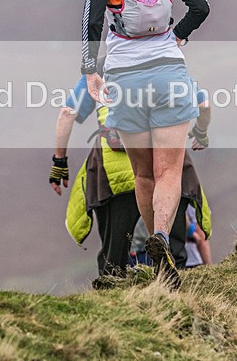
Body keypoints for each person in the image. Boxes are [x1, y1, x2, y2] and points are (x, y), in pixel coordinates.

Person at [81, 0, 210, 289]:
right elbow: (201, 6)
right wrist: (179, 35)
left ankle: (156, 249)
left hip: (125, 80)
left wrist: (90, 71)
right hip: (168, 71)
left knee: (142, 173)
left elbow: (93, 24)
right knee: (168, 170)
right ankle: (161, 241)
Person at [51, 73, 212, 285]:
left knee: (114, 260)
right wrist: (200, 131)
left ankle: (114, 307)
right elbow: (204, 104)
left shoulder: (98, 69)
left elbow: (66, 113)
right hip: (167, 166)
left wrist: (59, 160)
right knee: (174, 252)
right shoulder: (167, 60)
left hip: (114, 173)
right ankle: (177, 303)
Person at [184, 204, 212, 269]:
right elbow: (202, 238)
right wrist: (209, 268)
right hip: (192, 261)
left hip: (168, 263)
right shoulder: (192, 200)